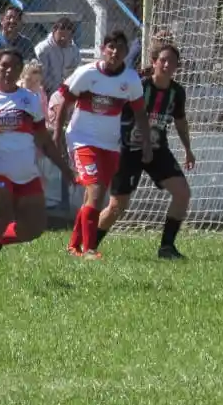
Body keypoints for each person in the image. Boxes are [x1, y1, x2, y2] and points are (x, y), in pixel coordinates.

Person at [0, 48, 74, 286]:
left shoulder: (29, 99)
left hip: (25, 173)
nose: (9, 71)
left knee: (34, 227)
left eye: (14, 67)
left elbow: (42, 138)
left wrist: (65, 168)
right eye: (3, 66)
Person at [54, 30, 152, 258]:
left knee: (93, 197)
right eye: (111, 47)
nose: (115, 52)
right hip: (81, 140)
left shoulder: (130, 79)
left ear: (127, 53)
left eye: (120, 48)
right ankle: (90, 249)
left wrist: (146, 143)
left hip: (110, 145)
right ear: (103, 50)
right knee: (96, 193)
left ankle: (73, 247)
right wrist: (57, 133)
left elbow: (140, 113)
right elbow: (64, 102)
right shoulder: (86, 74)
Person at [98, 43, 196, 259]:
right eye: (163, 60)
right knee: (118, 206)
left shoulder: (177, 92)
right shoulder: (139, 87)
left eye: (172, 61)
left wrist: (188, 149)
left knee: (182, 193)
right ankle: (88, 245)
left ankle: (167, 248)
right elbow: (114, 113)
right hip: (128, 151)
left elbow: (180, 121)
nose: (167, 64)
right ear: (154, 62)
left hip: (158, 150)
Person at [0, 7, 35, 81]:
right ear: (2, 21)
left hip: (19, 85)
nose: (12, 21)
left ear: (21, 23)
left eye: (16, 18)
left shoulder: (27, 43)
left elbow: (32, 67)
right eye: (9, 17)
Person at [35, 17, 81, 95]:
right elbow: (41, 76)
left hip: (67, 91)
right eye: (61, 37)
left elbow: (76, 71)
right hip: (45, 92)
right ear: (54, 31)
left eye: (67, 37)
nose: (64, 40)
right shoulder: (43, 49)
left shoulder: (74, 50)